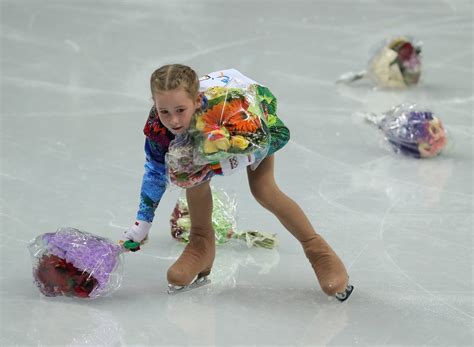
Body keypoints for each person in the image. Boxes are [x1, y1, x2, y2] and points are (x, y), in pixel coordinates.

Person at [123, 64, 353, 301]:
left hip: (249, 131)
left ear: (198, 100)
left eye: (181, 110)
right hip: (208, 142)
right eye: (164, 111)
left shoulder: (231, 107)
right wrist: (143, 224)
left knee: (263, 190)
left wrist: (220, 161)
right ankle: (201, 244)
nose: (173, 120)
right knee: (190, 177)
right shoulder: (159, 127)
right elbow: (154, 172)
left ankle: (317, 248)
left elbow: (267, 139)